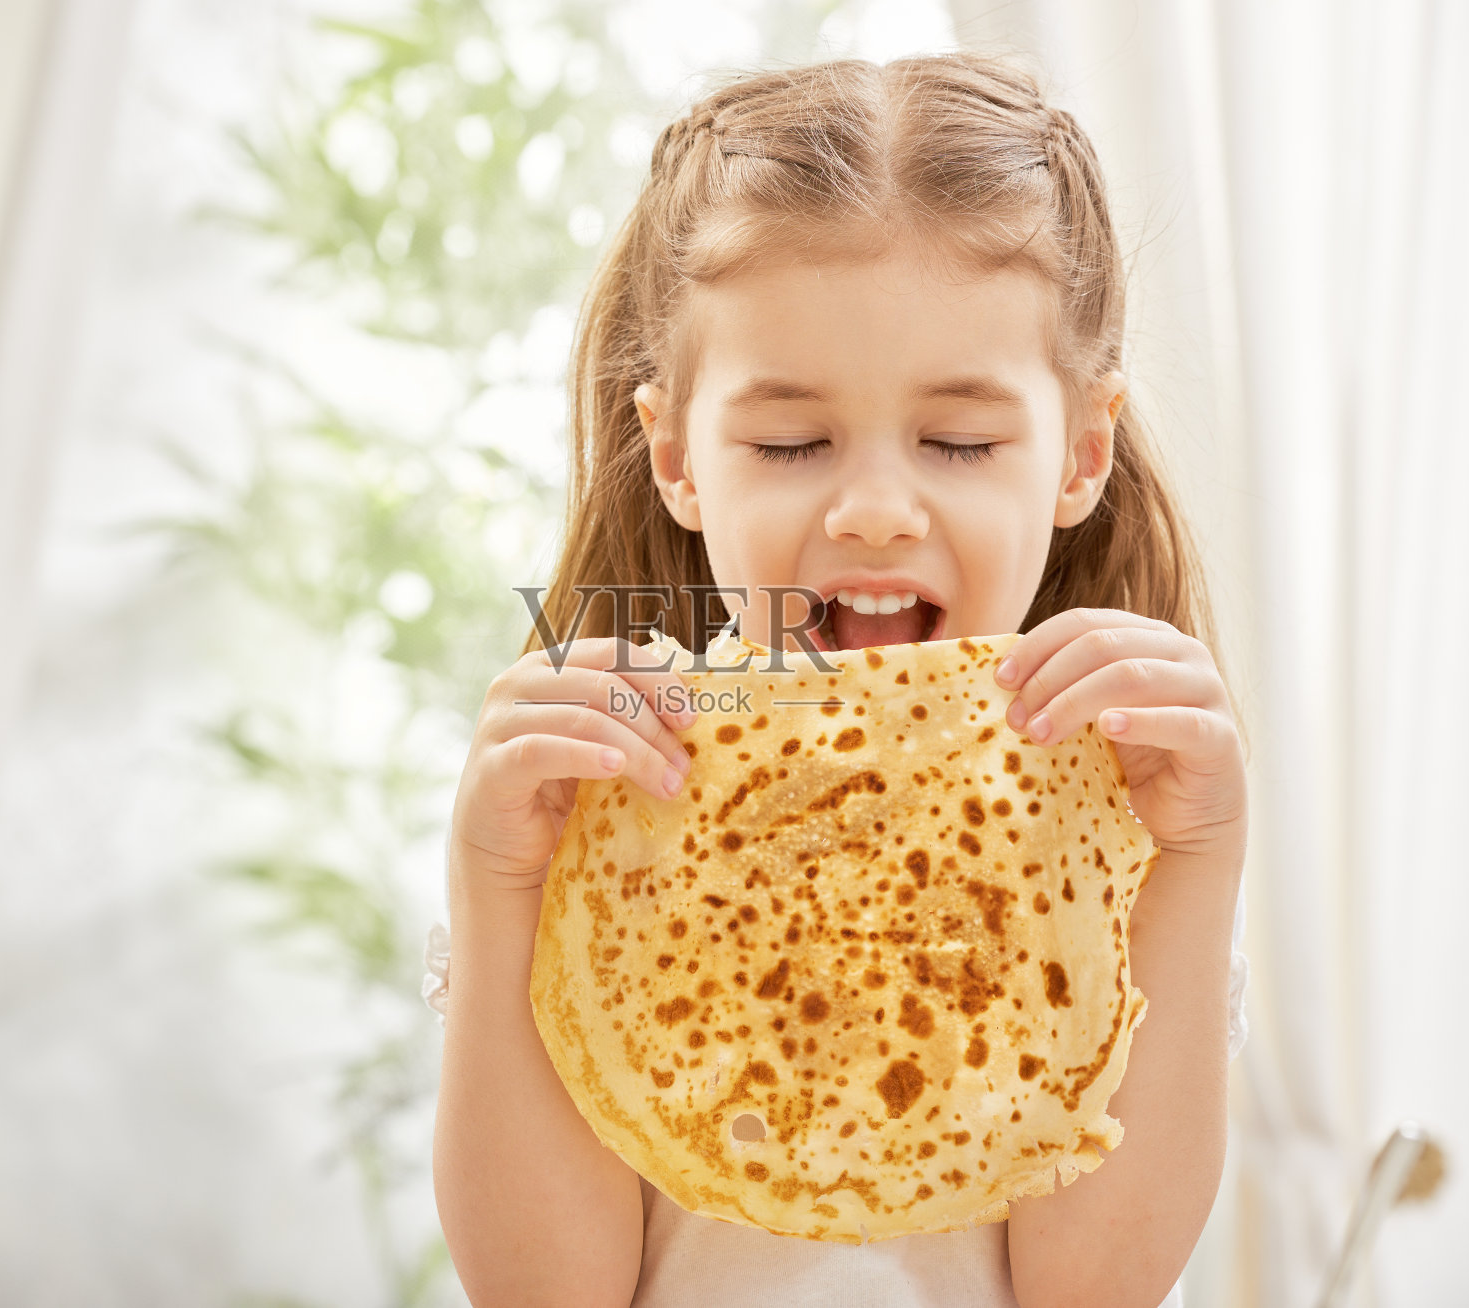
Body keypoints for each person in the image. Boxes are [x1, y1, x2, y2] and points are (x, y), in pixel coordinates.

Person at [427, 51, 1251, 1308]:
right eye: (792, 440)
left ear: (1081, 451)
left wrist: (1197, 863)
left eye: (960, 441)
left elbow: (1090, 1291)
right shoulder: (599, 821)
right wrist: (499, 891)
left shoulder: (1120, 829)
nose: (873, 510)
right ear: (677, 455)